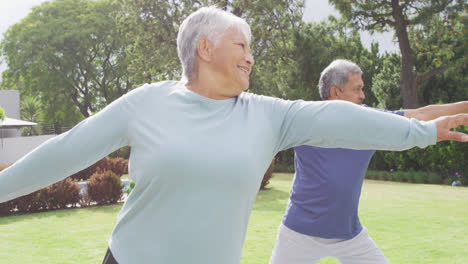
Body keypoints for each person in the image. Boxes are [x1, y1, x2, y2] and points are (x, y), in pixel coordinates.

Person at [0, 8, 467, 264]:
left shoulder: (269, 115)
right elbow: (64, 152)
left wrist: (421, 131)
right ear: (205, 49)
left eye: (251, 48)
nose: (250, 57)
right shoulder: (146, 103)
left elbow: (344, 119)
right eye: (241, 45)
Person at [269, 59, 468, 264]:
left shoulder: (371, 121)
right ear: (336, 92)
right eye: (357, 89)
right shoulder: (305, 121)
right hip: (298, 233)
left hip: (349, 235)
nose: (363, 95)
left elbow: (420, 114)